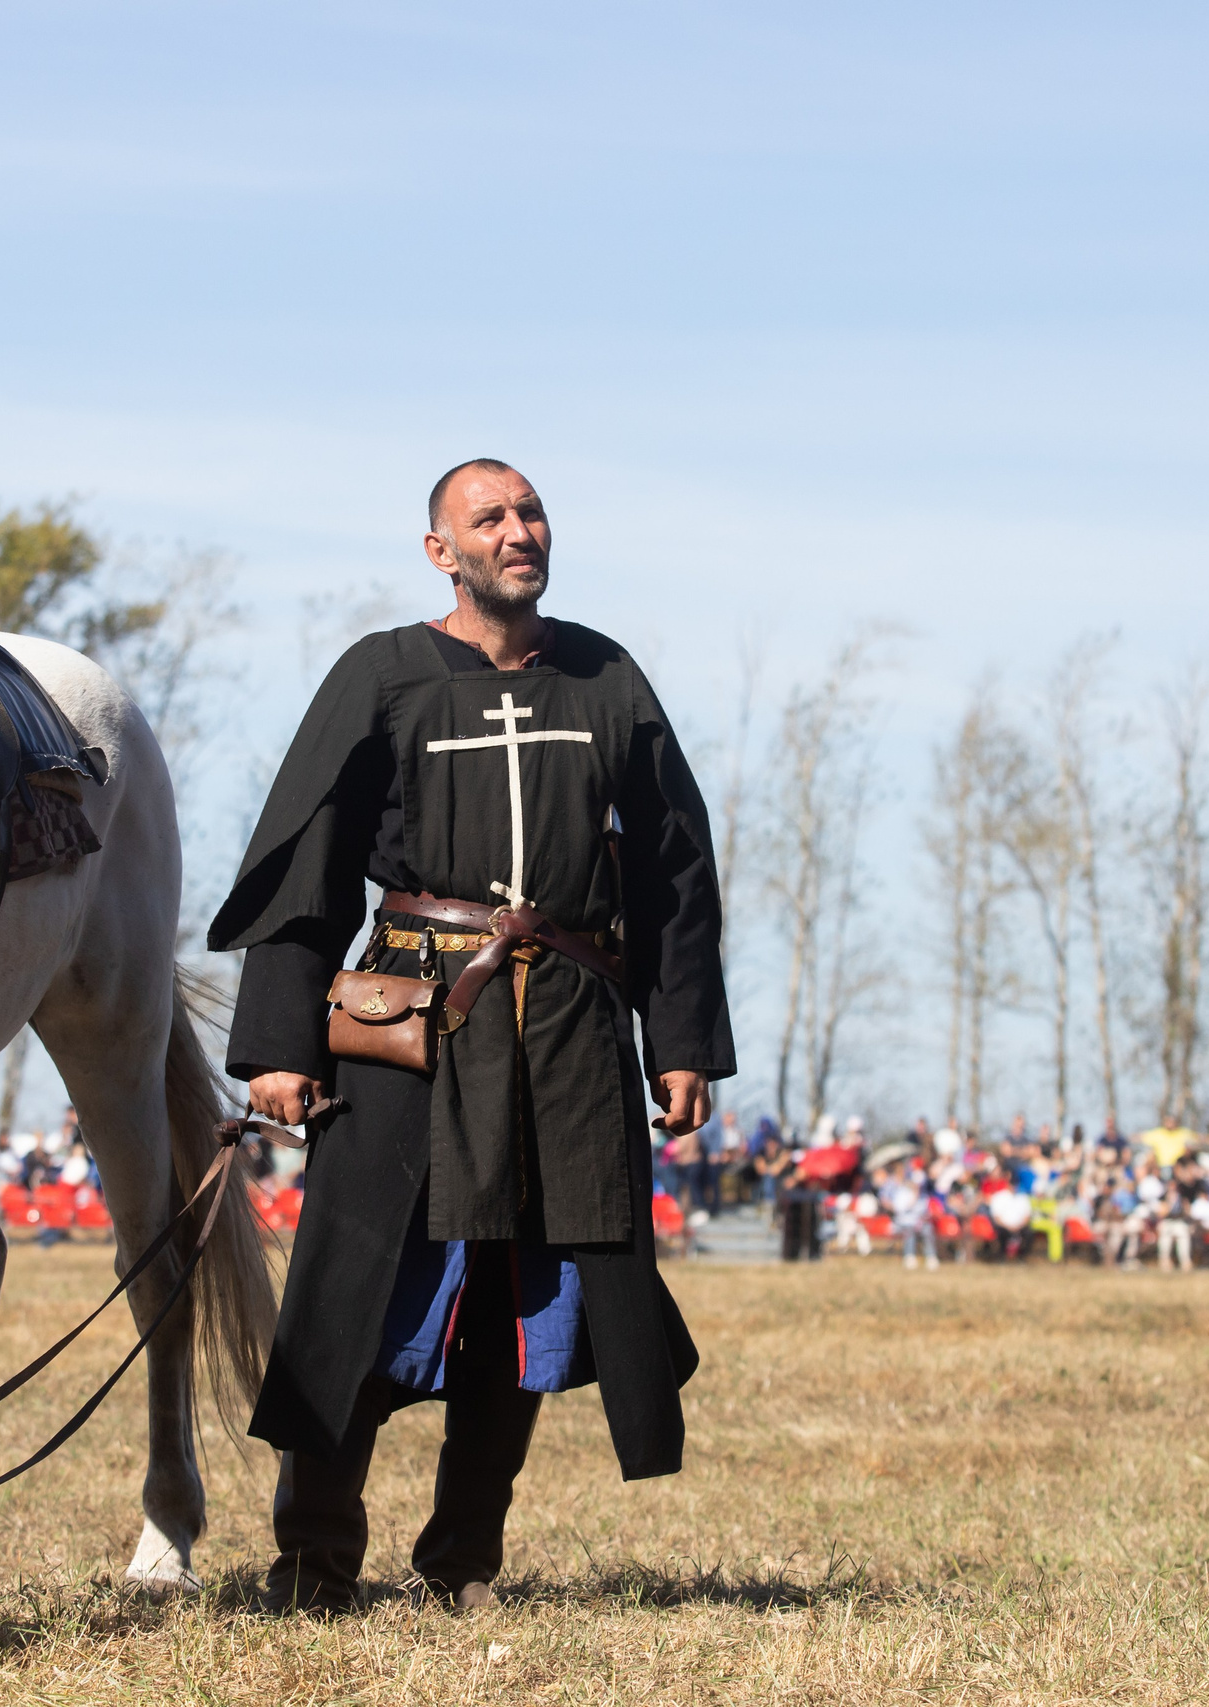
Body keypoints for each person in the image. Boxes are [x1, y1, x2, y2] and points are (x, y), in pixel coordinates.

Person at [209, 459, 734, 1614]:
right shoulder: (382, 675)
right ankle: (312, 1564)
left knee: (521, 1307)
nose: (517, 530)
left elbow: (673, 873)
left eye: (530, 511)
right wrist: (281, 1044)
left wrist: (682, 1039)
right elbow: (305, 863)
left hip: (567, 1037)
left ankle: (459, 1566)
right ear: (441, 551)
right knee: (357, 1289)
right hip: (412, 1023)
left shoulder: (605, 677)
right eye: (488, 517)